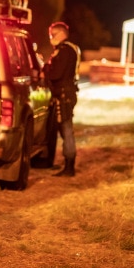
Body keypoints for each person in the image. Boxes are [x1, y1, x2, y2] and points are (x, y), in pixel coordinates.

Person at [44, 21, 81, 177]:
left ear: (60, 34)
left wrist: (45, 70)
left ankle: (69, 166)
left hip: (64, 94)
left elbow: (56, 74)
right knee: (64, 129)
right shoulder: (70, 49)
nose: (50, 39)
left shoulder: (65, 51)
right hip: (66, 93)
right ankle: (67, 164)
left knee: (66, 130)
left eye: (52, 35)